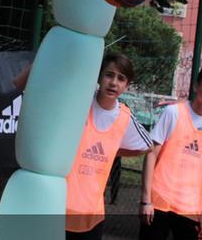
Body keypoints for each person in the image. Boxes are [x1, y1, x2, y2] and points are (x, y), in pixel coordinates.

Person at [11, 52, 152, 240]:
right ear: (99, 77)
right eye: (109, 75)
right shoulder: (79, 100)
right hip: (55, 208)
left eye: (121, 78)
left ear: (127, 85)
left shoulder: (125, 117)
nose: (113, 83)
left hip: (91, 216)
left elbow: (147, 146)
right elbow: (20, 84)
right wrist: (49, 51)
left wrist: (113, 151)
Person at [140, 65, 202, 240]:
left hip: (191, 207)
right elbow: (151, 154)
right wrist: (146, 200)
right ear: (196, 86)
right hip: (159, 202)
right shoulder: (173, 112)